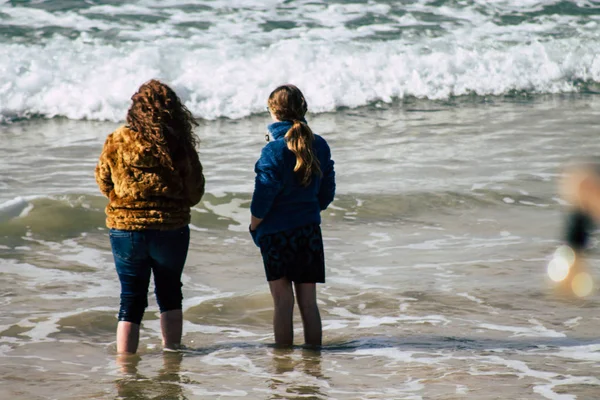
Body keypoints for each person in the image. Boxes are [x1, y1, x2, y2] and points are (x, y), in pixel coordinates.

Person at [95, 79, 205, 354]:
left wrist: (126, 201)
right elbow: (194, 192)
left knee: (130, 299)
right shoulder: (178, 144)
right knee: (170, 293)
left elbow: (103, 182)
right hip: (171, 228)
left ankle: (125, 366)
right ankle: (172, 355)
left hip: (126, 229)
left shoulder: (117, 139)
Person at [250, 84, 336, 347]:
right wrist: (308, 210)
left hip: (276, 233)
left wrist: (254, 225)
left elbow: (263, 197)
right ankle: (314, 359)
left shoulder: (273, 150)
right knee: (309, 302)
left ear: (273, 112)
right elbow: (326, 193)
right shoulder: (318, 144)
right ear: (303, 109)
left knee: (282, 303)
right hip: (308, 230)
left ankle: (284, 364)